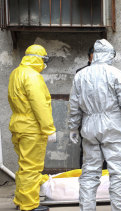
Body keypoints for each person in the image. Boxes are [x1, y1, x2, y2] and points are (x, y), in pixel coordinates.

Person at [68, 39, 121, 211]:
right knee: (118, 173)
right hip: (113, 127)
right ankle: (118, 209)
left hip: (89, 126)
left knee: (89, 173)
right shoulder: (116, 74)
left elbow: (74, 105)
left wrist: (73, 127)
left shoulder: (81, 76)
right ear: (110, 54)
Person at [8, 44, 56, 211]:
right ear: (38, 59)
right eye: (44, 60)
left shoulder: (16, 73)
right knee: (32, 168)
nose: (44, 64)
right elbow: (39, 104)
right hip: (31, 128)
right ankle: (29, 205)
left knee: (24, 165)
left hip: (18, 125)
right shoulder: (33, 76)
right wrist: (49, 128)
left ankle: (20, 200)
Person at [74, 46, 108, 169]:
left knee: (106, 148)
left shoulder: (109, 72)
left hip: (106, 117)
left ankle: (105, 179)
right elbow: (76, 98)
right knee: (87, 149)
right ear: (90, 57)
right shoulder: (81, 73)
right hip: (86, 117)